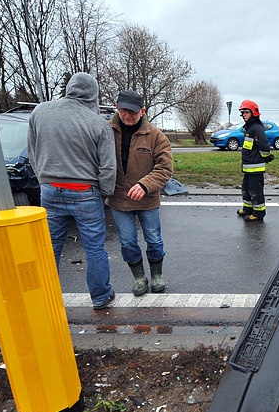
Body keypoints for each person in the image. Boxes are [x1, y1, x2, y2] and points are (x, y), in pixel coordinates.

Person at [27, 72, 117, 310]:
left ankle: (46, 296)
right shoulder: (98, 123)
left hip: (50, 189)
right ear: (93, 94)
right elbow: (108, 166)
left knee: (50, 246)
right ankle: (100, 296)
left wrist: (43, 179)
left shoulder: (40, 112)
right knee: (94, 247)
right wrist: (104, 193)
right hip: (85, 190)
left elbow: (33, 152)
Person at [106, 90, 174, 296]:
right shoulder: (106, 132)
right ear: (117, 106)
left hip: (147, 200)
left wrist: (145, 185)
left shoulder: (156, 136)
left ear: (142, 111)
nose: (127, 115)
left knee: (154, 239)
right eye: (123, 110)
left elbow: (165, 168)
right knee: (127, 242)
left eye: (132, 112)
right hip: (119, 200)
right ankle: (138, 278)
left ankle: (156, 275)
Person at [235, 99, 273, 222]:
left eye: (246, 112)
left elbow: (264, 146)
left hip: (255, 166)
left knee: (255, 191)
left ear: (253, 113)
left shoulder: (257, 128)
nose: (244, 115)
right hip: (248, 166)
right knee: (246, 189)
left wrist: (266, 156)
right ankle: (247, 209)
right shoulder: (250, 128)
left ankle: (259, 213)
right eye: (242, 112)